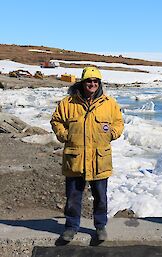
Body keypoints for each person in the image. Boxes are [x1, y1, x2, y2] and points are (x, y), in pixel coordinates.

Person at [51, 67, 124, 242]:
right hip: (75, 158)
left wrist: (111, 134)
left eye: (95, 81)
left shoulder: (109, 103)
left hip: (100, 158)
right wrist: (63, 135)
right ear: (82, 83)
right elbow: (56, 120)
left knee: (100, 196)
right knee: (73, 196)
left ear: (99, 84)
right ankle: (71, 227)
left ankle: (100, 226)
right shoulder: (68, 103)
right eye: (88, 81)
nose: (92, 84)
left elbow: (119, 123)